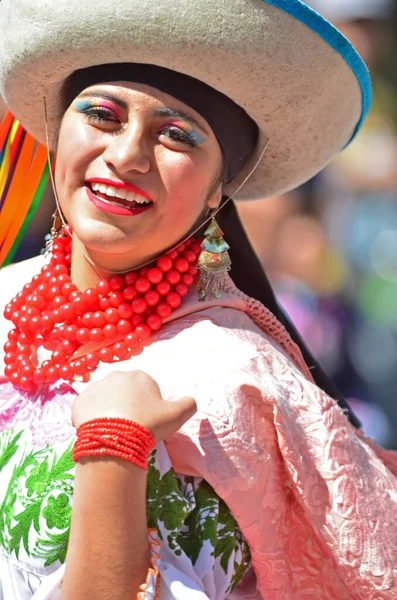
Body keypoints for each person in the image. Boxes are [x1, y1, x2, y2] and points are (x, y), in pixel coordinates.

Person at [0, 0, 396, 598]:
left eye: (177, 134)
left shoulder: (237, 383)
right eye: (103, 115)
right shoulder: (8, 300)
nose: (127, 156)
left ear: (217, 191)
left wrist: (115, 446)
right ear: (58, 130)